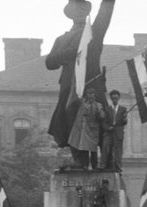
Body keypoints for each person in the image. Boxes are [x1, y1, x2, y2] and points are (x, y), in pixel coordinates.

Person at [46, 0, 115, 154]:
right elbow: (50, 62)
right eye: (76, 9)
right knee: (71, 125)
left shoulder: (94, 33)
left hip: (92, 86)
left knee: (103, 123)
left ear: (87, 12)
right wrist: (72, 52)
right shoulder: (62, 39)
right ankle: (79, 161)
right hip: (69, 87)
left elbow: (105, 13)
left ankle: (106, 162)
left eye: (82, 9)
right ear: (70, 14)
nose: (79, 12)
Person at [68, 87, 106, 169]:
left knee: (93, 149)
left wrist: (100, 112)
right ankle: (85, 165)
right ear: (86, 95)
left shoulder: (98, 105)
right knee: (84, 148)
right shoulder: (82, 104)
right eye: (89, 94)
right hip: (83, 130)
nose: (91, 95)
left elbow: (102, 117)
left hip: (93, 130)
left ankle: (94, 165)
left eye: (93, 94)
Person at [100, 89, 128, 172]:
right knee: (105, 147)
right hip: (109, 133)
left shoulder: (123, 109)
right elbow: (103, 122)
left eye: (116, 98)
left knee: (118, 150)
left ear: (119, 98)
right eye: (113, 98)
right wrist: (108, 128)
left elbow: (124, 122)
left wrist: (124, 118)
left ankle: (118, 167)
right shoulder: (107, 109)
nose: (115, 100)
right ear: (111, 99)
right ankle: (102, 165)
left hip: (118, 133)